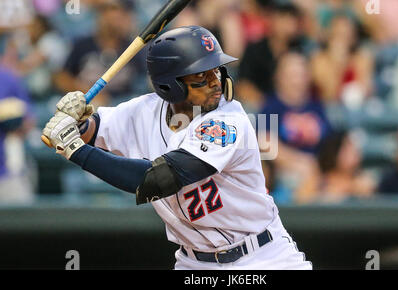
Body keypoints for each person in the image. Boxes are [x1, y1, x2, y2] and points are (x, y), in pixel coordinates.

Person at [42, 26, 312, 270]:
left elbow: (155, 180)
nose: (215, 82)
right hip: (194, 262)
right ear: (169, 85)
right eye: (201, 76)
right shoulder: (144, 110)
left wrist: (75, 150)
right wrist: (75, 121)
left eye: (216, 70)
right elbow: (94, 130)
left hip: (262, 258)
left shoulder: (228, 122)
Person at [259, 52, 331, 205]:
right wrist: (301, 163)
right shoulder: (271, 107)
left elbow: (331, 144)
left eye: (301, 74)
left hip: (320, 173)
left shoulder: (316, 107)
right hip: (285, 176)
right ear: (279, 77)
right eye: (291, 74)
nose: (297, 81)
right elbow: (265, 143)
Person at [54, 0, 147, 107]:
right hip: (87, 103)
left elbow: (143, 82)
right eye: (103, 11)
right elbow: (61, 77)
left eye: (114, 11)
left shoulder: (133, 47)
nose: (108, 17)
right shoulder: (84, 45)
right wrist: (87, 92)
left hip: (121, 105)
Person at [237, 2, 316, 112]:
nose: (288, 25)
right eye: (283, 18)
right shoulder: (255, 49)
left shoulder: (299, 49)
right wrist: (268, 104)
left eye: (291, 20)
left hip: (293, 106)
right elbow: (244, 85)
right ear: (272, 20)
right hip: (263, 107)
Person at [309, 130, 376, 204]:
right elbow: (303, 201)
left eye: (354, 148)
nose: (355, 152)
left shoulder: (362, 181)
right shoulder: (318, 181)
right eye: (347, 148)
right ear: (334, 152)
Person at [0, 65, 35, 204]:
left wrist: (13, 121)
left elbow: (29, 121)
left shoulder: (7, 79)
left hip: (6, 174)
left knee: (23, 219)